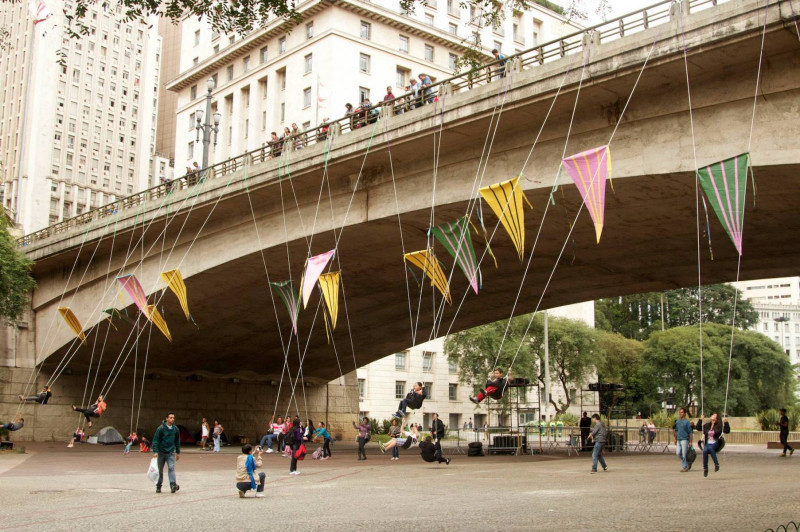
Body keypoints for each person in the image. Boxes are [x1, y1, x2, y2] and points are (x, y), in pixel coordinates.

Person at [152, 412, 181, 494]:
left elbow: (177, 441)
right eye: (171, 418)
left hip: (171, 452)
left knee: (171, 468)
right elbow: (155, 440)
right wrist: (155, 451)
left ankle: (172, 485)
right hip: (161, 452)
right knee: (160, 470)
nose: (172, 419)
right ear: (166, 418)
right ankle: (158, 485)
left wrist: (178, 452)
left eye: (173, 418)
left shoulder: (175, 429)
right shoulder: (160, 429)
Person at [695, 413, 730, 477]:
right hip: (708, 443)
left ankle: (716, 464)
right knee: (705, 451)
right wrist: (700, 419)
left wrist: (726, 422)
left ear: (716, 418)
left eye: (713, 415)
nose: (712, 416)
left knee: (711, 448)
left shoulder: (719, 426)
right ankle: (705, 469)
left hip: (716, 442)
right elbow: (698, 427)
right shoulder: (707, 425)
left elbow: (727, 431)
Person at [674, 407, 693, 472]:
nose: (680, 413)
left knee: (684, 453)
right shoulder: (677, 421)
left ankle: (685, 467)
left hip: (685, 439)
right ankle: (688, 463)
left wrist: (690, 441)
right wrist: (675, 439)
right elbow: (676, 430)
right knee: (678, 453)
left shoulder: (687, 422)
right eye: (680, 412)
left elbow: (690, 432)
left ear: (684, 413)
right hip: (679, 439)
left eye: (682, 412)